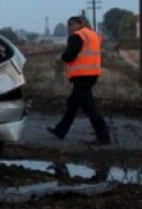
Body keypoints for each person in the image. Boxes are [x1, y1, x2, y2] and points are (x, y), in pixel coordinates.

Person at [47, 15, 111, 145]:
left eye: (70, 26)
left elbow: (69, 56)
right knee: (72, 104)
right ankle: (60, 130)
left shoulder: (78, 36)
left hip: (81, 75)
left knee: (90, 107)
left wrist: (63, 57)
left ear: (74, 25)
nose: (70, 29)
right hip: (92, 73)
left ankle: (103, 136)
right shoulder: (93, 35)